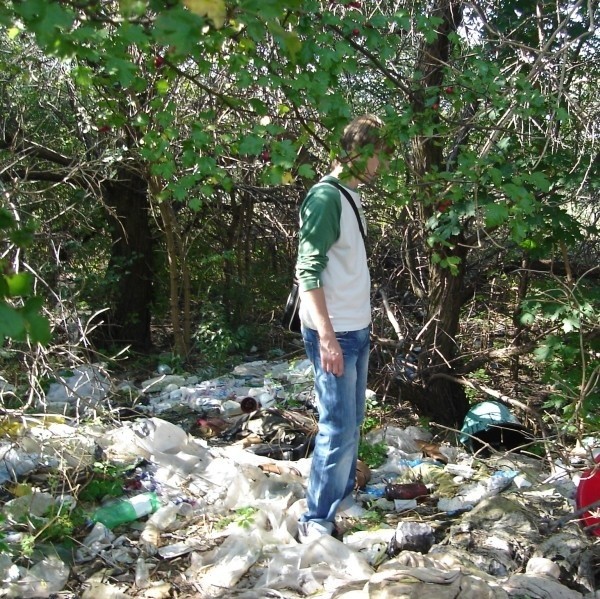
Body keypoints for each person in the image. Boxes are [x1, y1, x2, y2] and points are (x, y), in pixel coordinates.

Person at [295, 114, 391, 543]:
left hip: (358, 328)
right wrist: (327, 338)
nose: (381, 166)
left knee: (353, 422)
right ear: (358, 152)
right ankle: (315, 519)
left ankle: (341, 497)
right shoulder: (325, 198)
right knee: (336, 425)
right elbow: (307, 270)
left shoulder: (351, 196)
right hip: (335, 333)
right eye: (377, 157)